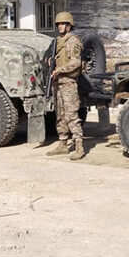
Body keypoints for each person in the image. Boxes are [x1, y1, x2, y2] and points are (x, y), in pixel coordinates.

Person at [45, 11, 85, 161]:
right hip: (57, 83)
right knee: (60, 115)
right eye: (58, 24)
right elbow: (49, 56)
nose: (60, 26)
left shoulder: (73, 41)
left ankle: (79, 146)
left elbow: (76, 63)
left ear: (69, 26)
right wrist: (49, 60)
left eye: (63, 24)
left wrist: (59, 70)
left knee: (71, 115)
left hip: (68, 82)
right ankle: (62, 143)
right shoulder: (57, 42)